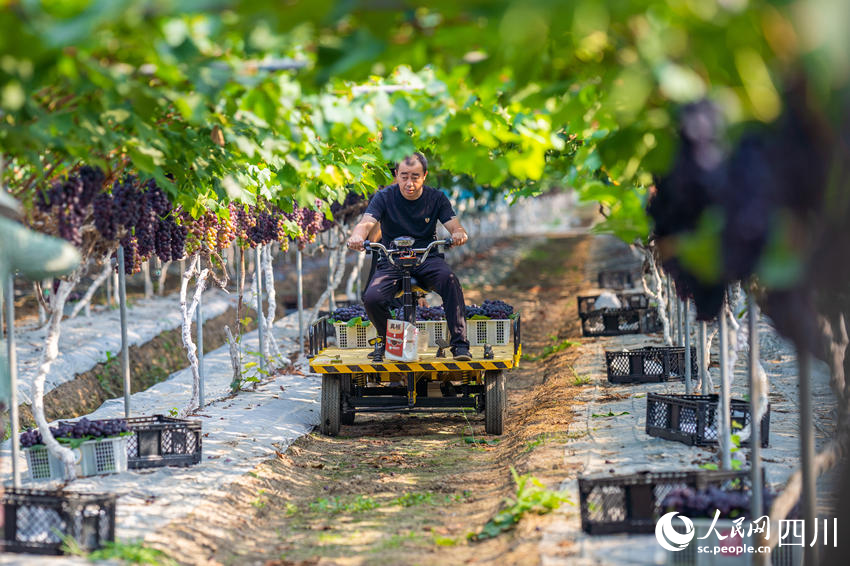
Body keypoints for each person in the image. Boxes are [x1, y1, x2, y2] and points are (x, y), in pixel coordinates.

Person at [348, 152, 471, 361]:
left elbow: (453, 224)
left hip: (427, 259)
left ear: (425, 175)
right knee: (372, 298)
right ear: (396, 175)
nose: (409, 183)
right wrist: (357, 237)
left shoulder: (436, 198)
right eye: (404, 176)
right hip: (393, 260)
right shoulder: (384, 197)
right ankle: (391, 341)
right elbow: (366, 222)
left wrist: (458, 233)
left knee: (450, 282)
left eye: (415, 176)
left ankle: (460, 346)